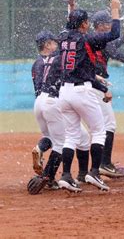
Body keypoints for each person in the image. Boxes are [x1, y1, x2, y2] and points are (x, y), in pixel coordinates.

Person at [57, 0, 121, 193]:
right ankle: (94, 172)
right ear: (84, 24)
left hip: (64, 92)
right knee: (99, 130)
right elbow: (115, 33)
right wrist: (115, 8)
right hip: (81, 91)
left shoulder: (63, 38)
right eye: (86, 22)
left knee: (71, 135)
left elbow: (69, 26)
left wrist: (72, 7)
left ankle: (66, 175)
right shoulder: (87, 39)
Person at [91, 10, 124, 178]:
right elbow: (117, 55)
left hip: (90, 83)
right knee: (109, 126)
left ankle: (92, 168)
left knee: (94, 128)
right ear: (100, 26)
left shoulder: (93, 39)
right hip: (96, 85)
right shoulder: (100, 40)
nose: (110, 26)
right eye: (107, 23)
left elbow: (112, 47)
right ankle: (104, 164)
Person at [27, 31, 64, 194]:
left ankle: (39, 148)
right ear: (47, 44)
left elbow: (37, 86)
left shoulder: (36, 63)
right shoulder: (56, 60)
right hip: (52, 101)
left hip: (38, 102)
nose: (56, 45)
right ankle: (49, 178)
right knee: (61, 142)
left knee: (49, 137)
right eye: (53, 42)